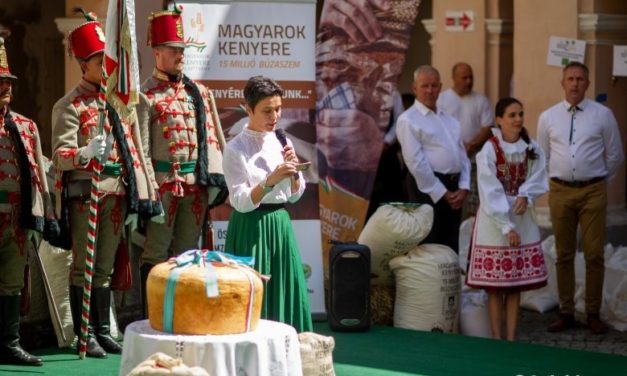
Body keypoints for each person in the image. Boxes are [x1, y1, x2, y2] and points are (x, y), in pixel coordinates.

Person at [51, 9, 162, 358]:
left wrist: (138, 194)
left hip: (116, 194)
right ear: (83, 65)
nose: (106, 69)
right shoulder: (69, 105)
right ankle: (84, 335)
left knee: (105, 266)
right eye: (100, 63)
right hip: (87, 195)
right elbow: (59, 155)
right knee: (84, 266)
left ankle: (101, 329)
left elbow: (133, 150)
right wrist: (83, 152)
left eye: (107, 62)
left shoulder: (117, 103)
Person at [140, 5, 228, 313]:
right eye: (174, 49)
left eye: (182, 49)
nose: (181, 55)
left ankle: (184, 313)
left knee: (189, 253)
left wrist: (215, 180)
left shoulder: (199, 93)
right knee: (156, 252)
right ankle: (152, 314)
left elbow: (214, 137)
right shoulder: (145, 95)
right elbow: (141, 149)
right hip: (163, 187)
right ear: (157, 51)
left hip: (195, 187)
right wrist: (147, 193)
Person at [538, 61, 624, 334]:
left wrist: (597, 181)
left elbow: (615, 154)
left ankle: (592, 312)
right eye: (570, 78)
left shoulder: (603, 115)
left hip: (593, 192)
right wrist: (555, 182)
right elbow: (543, 155)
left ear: (587, 84)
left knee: (594, 254)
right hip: (560, 190)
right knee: (563, 253)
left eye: (580, 79)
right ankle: (566, 312)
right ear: (562, 83)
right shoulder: (548, 117)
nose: (575, 83)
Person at [222, 76, 312, 333]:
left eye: (278, 109)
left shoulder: (282, 140)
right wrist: (271, 180)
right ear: (248, 109)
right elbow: (239, 201)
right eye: (267, 110)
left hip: (280, 225)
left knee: (286, 288)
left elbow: (295, 196)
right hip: (251, 227)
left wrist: (294, 174)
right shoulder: (235, 148)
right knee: (253, 296)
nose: (275, 116)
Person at [466, 97, 549, 341]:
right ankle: (496, 338)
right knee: (495, 287)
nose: (518, 119)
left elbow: (539, 176)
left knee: (514, 284)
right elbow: (490, 189)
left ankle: (511, 338)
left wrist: (527, 195)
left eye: (520, 114)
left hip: (522, 218)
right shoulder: (489, 149)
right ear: (499, 120)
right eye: (512, 115)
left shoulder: (531, 147)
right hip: (495, 219)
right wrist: (506, 225)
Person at [0, 37, 58, 367]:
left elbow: (39, 172)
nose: (6, 87)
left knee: (11, 282)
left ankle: (10, 344)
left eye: (8, 82)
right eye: (0, 82)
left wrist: (45, 214)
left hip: (17, 217)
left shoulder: (26, 126)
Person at [396, 65, 470, 253]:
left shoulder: (448, 118)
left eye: (434, 86)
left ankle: (449, 283)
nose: (430, 90)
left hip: (454, 188)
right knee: (431, 243)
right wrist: (443, 193)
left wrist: (463, 187)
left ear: (441, 87)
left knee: (450, 243)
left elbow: (462, 155)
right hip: (428, 188)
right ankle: (432, 284)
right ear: (414, 88)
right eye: (425, 86)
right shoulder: (408, 120)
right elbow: (415, 163)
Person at [437, 62, 494, 218]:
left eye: (471, 77)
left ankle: (471, 235)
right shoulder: (441, 100)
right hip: (449, 161)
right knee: (451, 200)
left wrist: (472, 145)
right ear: (454, 78)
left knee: (474, 202)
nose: (468, 81)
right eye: (464, 77)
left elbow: (487, 127)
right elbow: (436, 127)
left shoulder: (481, 100)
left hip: (474, 159)